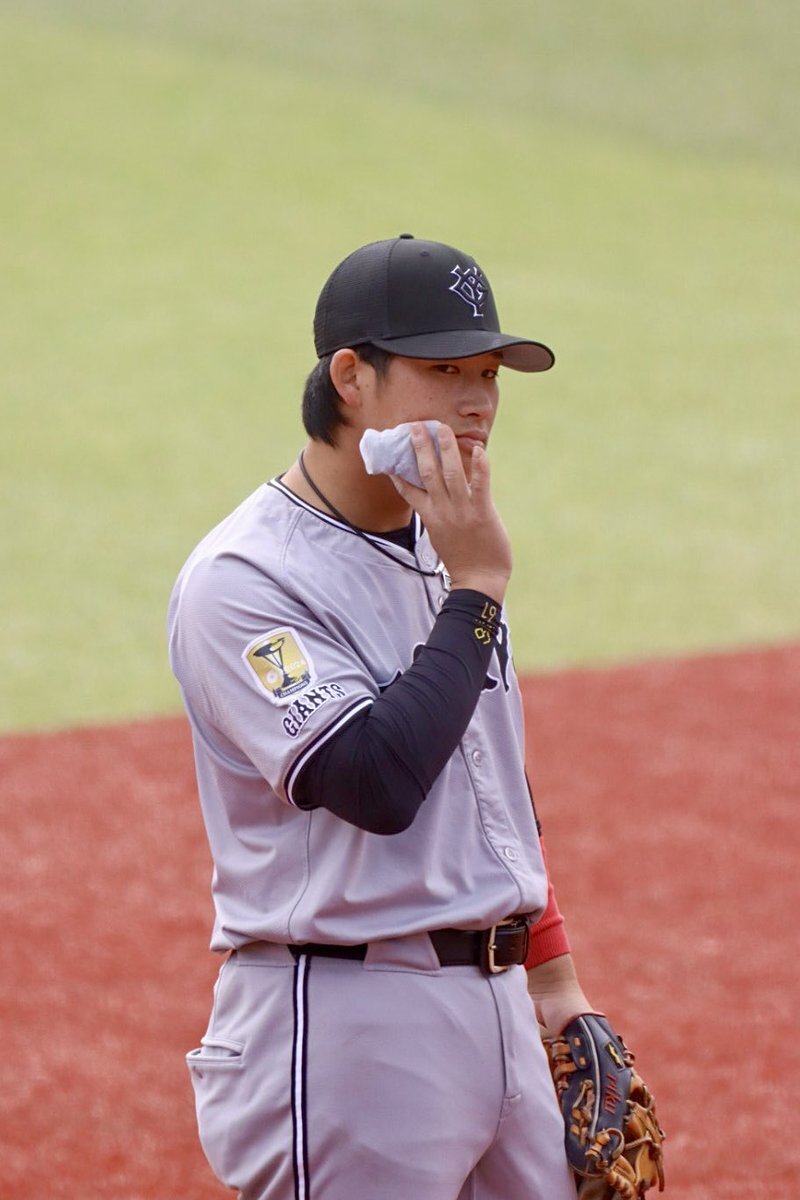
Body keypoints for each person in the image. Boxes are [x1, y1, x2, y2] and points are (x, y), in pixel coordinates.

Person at [168, 234, 595, 1200]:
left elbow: (490, 778)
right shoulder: (246, 578)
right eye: (445, 370)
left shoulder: (446, 545)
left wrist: (553, 977)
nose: (478, 402)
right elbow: (375, 782)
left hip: (500, 1006)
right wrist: (477, 587)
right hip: (350, 1019)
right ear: (351, 378)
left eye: (488, 374)